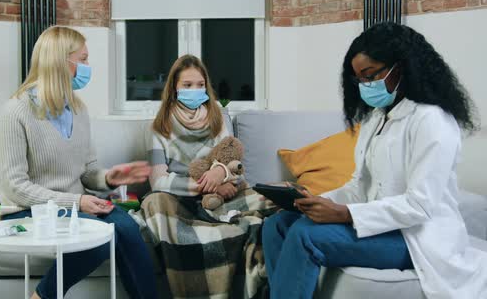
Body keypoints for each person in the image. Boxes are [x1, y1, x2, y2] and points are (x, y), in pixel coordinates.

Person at [262, 22, 486, 299]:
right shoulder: (376, 118)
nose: (365, 85)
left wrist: (344, 214)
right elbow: (359, 186)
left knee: (305, 236)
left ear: (401, 67)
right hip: (379, 228)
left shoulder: (432, 120)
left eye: (370, 75)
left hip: (416, 239)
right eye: (359, 79)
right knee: (277, 225)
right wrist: (311, 200)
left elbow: (419, 205)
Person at [0, 26, 158, 299]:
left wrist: (108, 178)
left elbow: (87, 171)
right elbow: (15, 187)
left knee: (129, 227)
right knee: (99, 236)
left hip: (71, 208)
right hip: (29, 210)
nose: (88, 67)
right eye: (82, 59)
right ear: (60, 61)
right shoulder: (16, 111)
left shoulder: (79, 109)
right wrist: (76, 203)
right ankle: (42, 296)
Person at [140, 54, 274, 299]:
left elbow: (232, 161)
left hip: (226, 193)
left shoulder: (218, 117)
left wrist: (219, 173)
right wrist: (204, 186)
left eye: (200, 85)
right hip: (181, 198)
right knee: (153, 202)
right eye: (187, 85)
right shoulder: (158, 127)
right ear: (174, 88)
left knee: (277, 197)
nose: (195, 90)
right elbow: (158, 180)